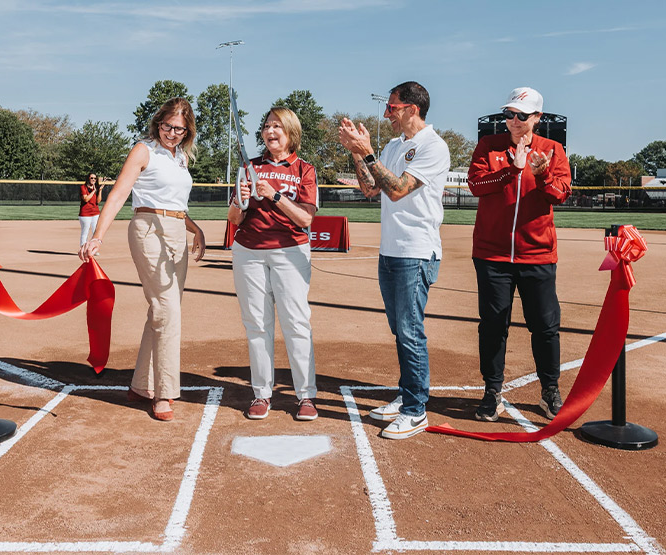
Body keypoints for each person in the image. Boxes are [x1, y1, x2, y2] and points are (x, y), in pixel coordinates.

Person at [78, 97, 206, 422]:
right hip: (148, 228)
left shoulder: (181, 158)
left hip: (177, 229)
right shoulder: (143, 150)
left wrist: (196, 230)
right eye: (167, 126)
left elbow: (177, 205)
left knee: (161, 310)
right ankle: (164, 392)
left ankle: (139, 384)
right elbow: (120, 193)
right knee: (168, 308)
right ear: (158, 123)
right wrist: (98, 236)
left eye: (180, 129)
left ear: (187, 130)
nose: (172, 134)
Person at [339, 81, 450, 439]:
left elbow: (399, 189)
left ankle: (416, 410)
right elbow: (372, 189)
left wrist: (367, 152)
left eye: (392, 107)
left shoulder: (433, 146)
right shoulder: (392, 145)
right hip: (392, 249)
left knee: (409, 330)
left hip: (416, 251)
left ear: (411, 109)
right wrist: (358, 153)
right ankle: (406, 396)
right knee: (400, 330)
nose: (387, 113)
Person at [467, 87, 571, 422]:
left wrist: (541, 174)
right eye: (509, 115)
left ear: (537, 118)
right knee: (493, 325)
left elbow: (560, 195)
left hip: (537, 255)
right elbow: (476, 185)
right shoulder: (489, 146)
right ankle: (492, 391)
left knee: (544, 326)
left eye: (521, 116)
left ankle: (549, 391)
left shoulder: (553, 150)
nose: (513, 121)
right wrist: (512, 169)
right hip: (492, 255)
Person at [228, 107, 319, 421]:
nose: (270, 131)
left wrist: (275, 196)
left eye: (277, 126)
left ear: (290, 131)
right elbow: (234, 218)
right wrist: (241, 199)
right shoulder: (250, 166)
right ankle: (261, 394)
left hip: (290, 251)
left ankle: (306, 395)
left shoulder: (304, 169)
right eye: (266, 126)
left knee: (296, 323)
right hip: (248, 251)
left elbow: (306, 218)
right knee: (257, 324)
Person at [78, 173, 104, 246]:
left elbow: (98, 201)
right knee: (85, 232)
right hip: (85, 214)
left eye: (95, 178)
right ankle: (83, 249)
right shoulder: (83, 187)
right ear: (88, 179)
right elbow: (86, 199)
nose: (93, 180)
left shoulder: (96, 188)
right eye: (91, 178)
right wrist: (93, 191)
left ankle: (92, 249)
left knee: (95, 232)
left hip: (95, 213)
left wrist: (100, 190)